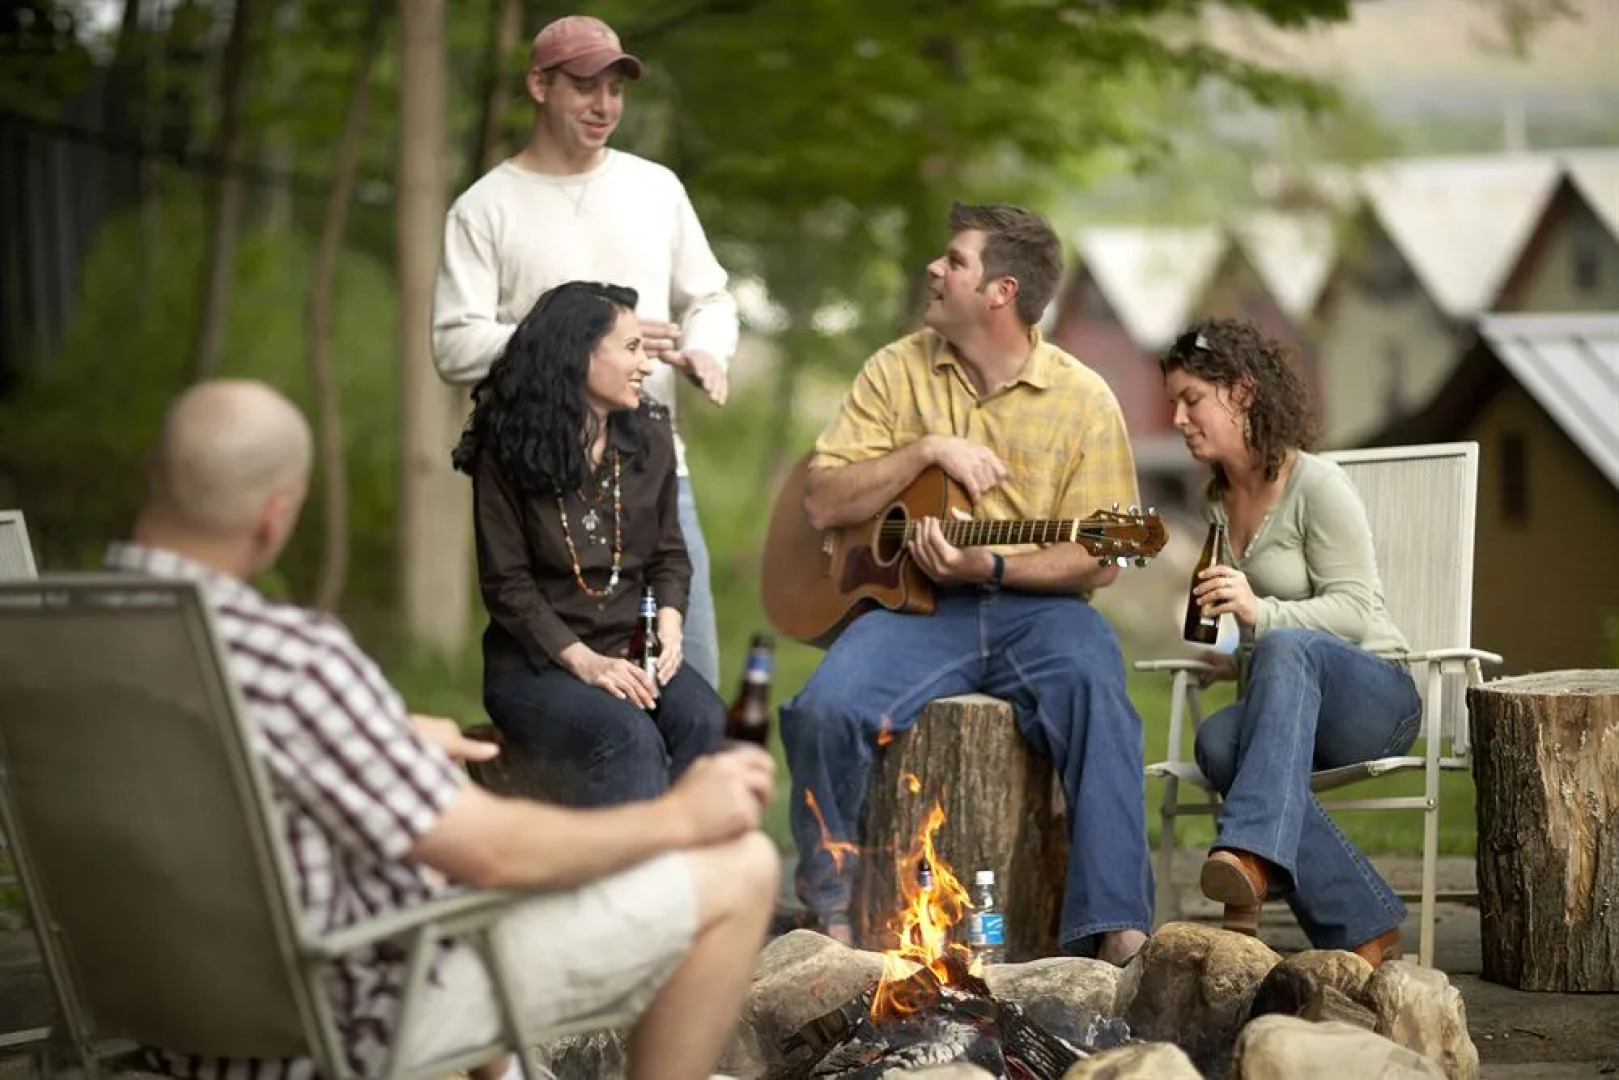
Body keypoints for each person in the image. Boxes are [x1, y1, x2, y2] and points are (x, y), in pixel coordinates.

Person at [109, 378, 778, 1080]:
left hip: (175, 1011)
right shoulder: (292, 660)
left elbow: (207, 754)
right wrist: (678, 816)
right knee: (743, 869)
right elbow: (492, 854)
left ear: (151, 477)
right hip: (347, 1016)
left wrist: (376, 734)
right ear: (275, 518)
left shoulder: (67, 641)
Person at [781, 202, 1153, 966]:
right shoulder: (895, 370)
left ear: (999, 292)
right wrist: (925, 450)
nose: (934, 268)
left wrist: (991, 566)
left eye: (953, 260)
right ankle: (830, 916)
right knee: (823, 708)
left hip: (1039, 610)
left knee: (1098, 699)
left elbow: (1102, 557)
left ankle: (1116, 933)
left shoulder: (1084, 400)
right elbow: (822, 499)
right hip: (913, 605)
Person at [432, 12, 735, 690]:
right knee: (575, 705)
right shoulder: (486, 209)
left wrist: (708, 348)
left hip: (655, 477)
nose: (604, 106)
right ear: (540, 84)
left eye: (616, 90)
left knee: (692, 685)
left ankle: (687, 792)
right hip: (540, 484)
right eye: (584, 87)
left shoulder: (654, 189)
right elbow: (453, 345)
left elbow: (710, 299)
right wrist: (573, 343)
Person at [1162, 317, 1419, 968]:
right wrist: (1233, 654)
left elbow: (1355, 613)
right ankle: (1363, 927)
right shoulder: (1218, 504)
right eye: (1173, 403)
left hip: (1374, 699)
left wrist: (1258, 613)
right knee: (1217, 740)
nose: (1177, 418)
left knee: (1283, 647)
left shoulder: (1316, 486)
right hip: (1297, 709)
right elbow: (1263, 626)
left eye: (1191, 399)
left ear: (1242, 394)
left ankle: (1246, 853)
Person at [452, 281, 726, 807]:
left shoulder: (649, 433)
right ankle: (623, 886)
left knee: (705, 719)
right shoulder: (505, 448)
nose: (646, 364)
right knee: (628, 737)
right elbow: (507, 585)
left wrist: (669, 629)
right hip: (538, 667)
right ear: (579, 355)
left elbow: (670, 552)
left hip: (630, 651)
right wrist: (586, 663)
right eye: (631, 348)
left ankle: (688, 876)